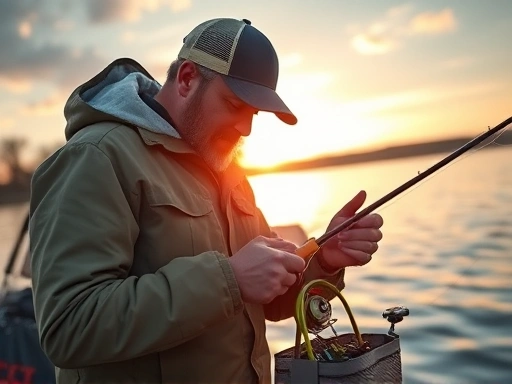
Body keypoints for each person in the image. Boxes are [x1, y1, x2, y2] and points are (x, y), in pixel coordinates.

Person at [29, 18, 384, 384]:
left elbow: (265, 295)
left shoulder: (228, 169)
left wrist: (323, 260)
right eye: (234, 104)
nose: (245, 128)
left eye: (253, 114)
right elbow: (68, 326)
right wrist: (228, 279)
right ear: (186, 79)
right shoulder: (97, 157)